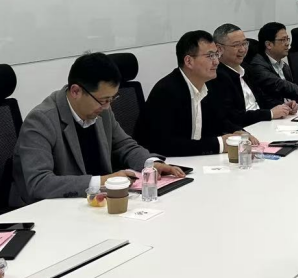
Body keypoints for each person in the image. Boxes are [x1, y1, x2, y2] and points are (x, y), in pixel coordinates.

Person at [13, 52, 183, 204]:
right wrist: (102, 182)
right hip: (50, 210)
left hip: (96, 204)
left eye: (111, 99)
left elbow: (124, 145)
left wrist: (150, 164)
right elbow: (39, 183)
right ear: (75, 91)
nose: (107, 107)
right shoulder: (41, 120)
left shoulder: (102, 111)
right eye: (103, 100)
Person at [136, 31, 252, 156]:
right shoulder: (166, 91)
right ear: (189, 61)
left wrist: (238, 131)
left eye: (216, 55)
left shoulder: (208, 85)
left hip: (194, 159)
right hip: (164, 162)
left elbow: (219, 121)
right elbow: (163, 144)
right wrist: (220, 144)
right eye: (210, 56)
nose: (216, 62)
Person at [209, 24, 294, 128]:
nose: (243, 49)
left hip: (263, 124)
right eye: (236, 45)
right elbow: (232, 117)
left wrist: (282, 106)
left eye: (244, 43)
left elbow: (262, 98)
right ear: (219, 49)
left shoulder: (246, 68)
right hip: (243, 130)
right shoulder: (216, 76)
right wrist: (270, 113)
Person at [245, 22, 298, 108]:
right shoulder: (257, 65)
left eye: (287, 39)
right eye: (283, 40)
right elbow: (281, 85)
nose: (287, 43)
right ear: (269, 44)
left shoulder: (284, 65)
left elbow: (292, 93)